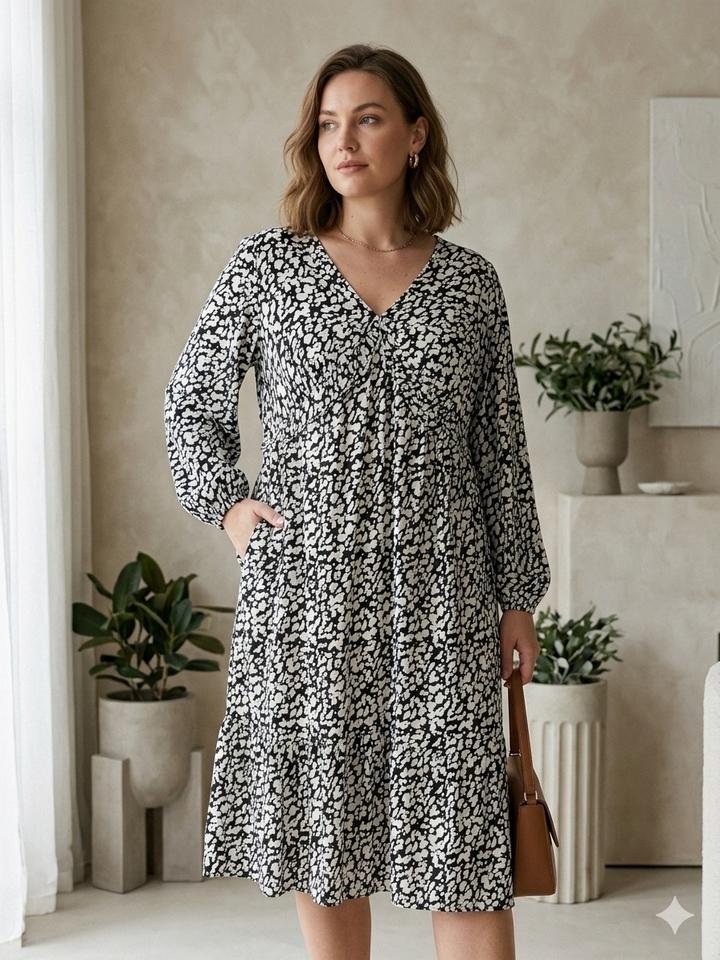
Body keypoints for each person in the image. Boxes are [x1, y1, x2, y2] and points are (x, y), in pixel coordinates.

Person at [163, 42, 551, 960]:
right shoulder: (269, 267)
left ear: (414, 136)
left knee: (464, 854)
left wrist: (518, 598)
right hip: (310, 602)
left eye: (368, 119)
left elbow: (501, 455)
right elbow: (191, 402)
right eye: (329, 123)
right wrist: (230, 506)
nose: (343, 140)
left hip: (444, 603)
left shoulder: (469, 285)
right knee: (326, 845)